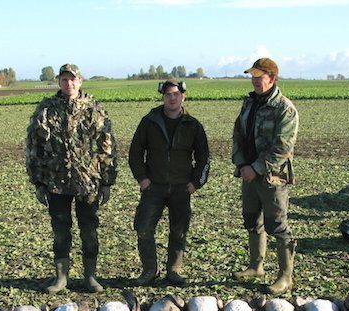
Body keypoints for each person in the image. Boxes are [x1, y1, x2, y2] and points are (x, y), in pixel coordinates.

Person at [25, 63, 117, 293]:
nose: (69, 83)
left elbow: (107, 147)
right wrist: (38, 182)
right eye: (65, 80)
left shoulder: (94, 109)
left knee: (89, 230)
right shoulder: (46, 110)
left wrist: (106, 181)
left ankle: (90, 276)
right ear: (59, 81)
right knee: (60, 231)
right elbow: (33, 146)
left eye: (73, 79)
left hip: (88, 182)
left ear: (80, 81)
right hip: (56, 183)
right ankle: (61, 278)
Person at [128, 78, 210, 286]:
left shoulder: (193, 125)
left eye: (175, 94)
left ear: (183, 96)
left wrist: (195, 184)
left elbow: (204, 158)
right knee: (144, 228)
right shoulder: (149, 122)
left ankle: (174, 270)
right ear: (163, 97)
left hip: (181, 188)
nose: (172, 98)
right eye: (168, 95)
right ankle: (149, 270)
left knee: (179, 230)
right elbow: (135, 153)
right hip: (153, 187)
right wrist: (143, 179)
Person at [231, 58, 299, 294]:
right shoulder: (249, 104)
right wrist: (240, 163)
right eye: (253, 77)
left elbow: (283, 148)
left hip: (272, 178)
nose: (255, 81)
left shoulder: (284, 109)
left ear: (272, 78)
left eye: (259, 77)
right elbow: (237, 134)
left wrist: (256, 168)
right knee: (252, 221)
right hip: (248, 174)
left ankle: (285, 277)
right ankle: (256, 266)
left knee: (278, 226)